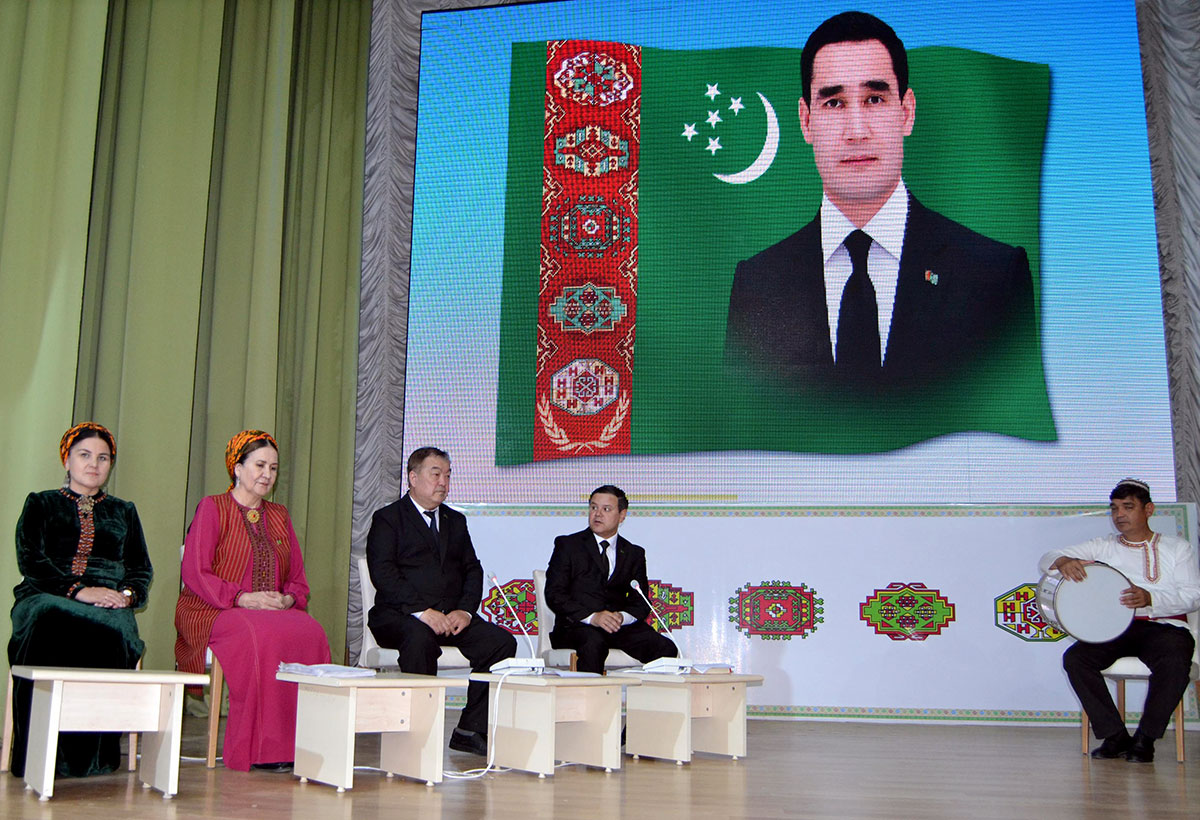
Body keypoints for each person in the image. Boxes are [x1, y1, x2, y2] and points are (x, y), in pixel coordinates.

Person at [725, 10, 1038, 391]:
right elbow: (744, 416)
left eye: (874, 99)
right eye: (834, 103)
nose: (857, 131)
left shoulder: (994, 276)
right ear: (806, 122)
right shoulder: (759, 283)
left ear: (906, 113)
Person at [174, 430, 330, 772]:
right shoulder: (212, 507)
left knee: (311, 631)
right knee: (261, 636)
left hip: (271, 612)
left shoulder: (279, 515)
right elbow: (196, 572)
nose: (267, 475)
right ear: (237, 467)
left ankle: (306, 744)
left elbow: (297, 576)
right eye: (259, 465)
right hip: (213, 609)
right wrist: (242, 598)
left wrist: (288, 598)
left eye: (273, 468)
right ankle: (260, 750)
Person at [7, 422, 152, 778]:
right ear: (67, 460)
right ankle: (41, 754)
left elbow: (140, 569)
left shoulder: (124, 511)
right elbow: (31, 561)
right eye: (84, 455)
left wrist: (126, 596)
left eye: (103, 458)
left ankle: (94, 757)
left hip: (109, 602)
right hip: (46, 594)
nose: (93, 464)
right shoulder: (41, 503)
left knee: (116, 628)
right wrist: (78, 591)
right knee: (50, 616)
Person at [365, 447, 517, 756]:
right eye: (436, 474)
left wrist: (465, 611)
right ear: (413, 477)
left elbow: (472, 569)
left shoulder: (454, 521)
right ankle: (416, 734)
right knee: (419, 638)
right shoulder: (388, 519)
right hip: (399, 616)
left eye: (447, 475)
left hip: (450, 617)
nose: (443, 482)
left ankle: (470, 729)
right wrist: (422, 612)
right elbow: (384, 574)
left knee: (501, 643)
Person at [1038, 479, 1200, 762]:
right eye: (1114, 508)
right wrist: (1063, 561)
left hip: (1165, 627)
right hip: (1115, 630)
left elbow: (1193, 596)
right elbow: (1047, 557)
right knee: (1076, 659)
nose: (1119, 514)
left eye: (1128, 507)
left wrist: (1150, 598)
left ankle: (1146, 739)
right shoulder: (1103, 546)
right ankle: (1115, 736)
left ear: (1148, 510)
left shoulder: (1177, 548)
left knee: (1174, 659)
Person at [545, 485, 678, 673]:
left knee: (665, 648)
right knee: (594, 643)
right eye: (593, 507)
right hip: (577, 626)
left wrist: (622, 617)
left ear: (622, 515)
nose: (597, 514)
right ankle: (590, 693)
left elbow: (641, 602)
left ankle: (645, 693)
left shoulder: (633, 553)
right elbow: (554, 594)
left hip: (617, 628)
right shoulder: (568, 545)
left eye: (606, 509)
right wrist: (593, 617)